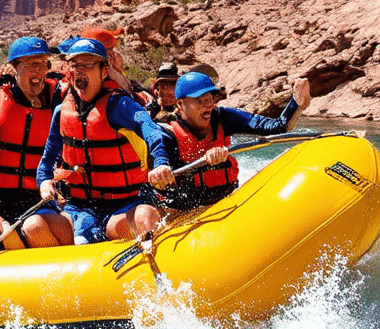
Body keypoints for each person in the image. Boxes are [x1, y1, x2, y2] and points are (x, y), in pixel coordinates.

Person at [37, 38, 173, 245]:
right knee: (36, 223)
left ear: (103, 72)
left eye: (88, 64)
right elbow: (47, 158)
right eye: (75, 65)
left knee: (146, 215)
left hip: (125, 204)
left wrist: (161, 161)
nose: (80, 70)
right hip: (79, 207)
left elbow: (150, 130)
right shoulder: (62, 111)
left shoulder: (119, 105)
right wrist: (44, 181)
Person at [159, 72, 312, 210]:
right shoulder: (167, 134)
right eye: (200, 100)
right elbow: (165, 184)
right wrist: (204, 161)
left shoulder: (224, 117)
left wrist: (296, 105)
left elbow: (276, 127)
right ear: (180, 104)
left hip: (228, 199)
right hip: (186, 211)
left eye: (210, 98)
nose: (208, 105)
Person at [0, 37, 74, 247]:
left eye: (42, 64)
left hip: (37, 195)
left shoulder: (56, 96)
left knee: (62, 225)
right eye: (31, 64)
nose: (39, 71)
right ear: (14, 69)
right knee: (28, 229)